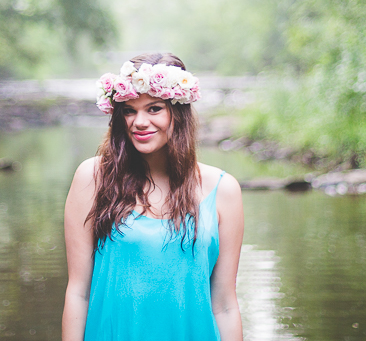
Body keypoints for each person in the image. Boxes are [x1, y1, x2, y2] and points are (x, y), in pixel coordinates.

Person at [62, 52, 244, 341]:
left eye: (154, 109)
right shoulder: (92, 178)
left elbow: (224, 305)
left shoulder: (224, 190)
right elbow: (79, 292)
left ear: (179, 112)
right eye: (129, 110)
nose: (140, 122)